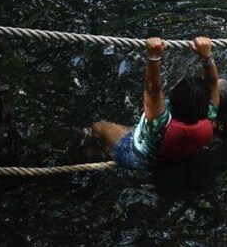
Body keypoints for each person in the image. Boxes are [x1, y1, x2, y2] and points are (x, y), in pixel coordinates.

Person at [92, 36, 220, 170]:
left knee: (98, 127)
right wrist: (207, 57)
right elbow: (212, 84)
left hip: (139, 158)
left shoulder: (161, 122)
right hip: (175, 156)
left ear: (173, 100)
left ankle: (92, 154)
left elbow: (152, 90)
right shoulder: (209, 115)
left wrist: (153, 57)